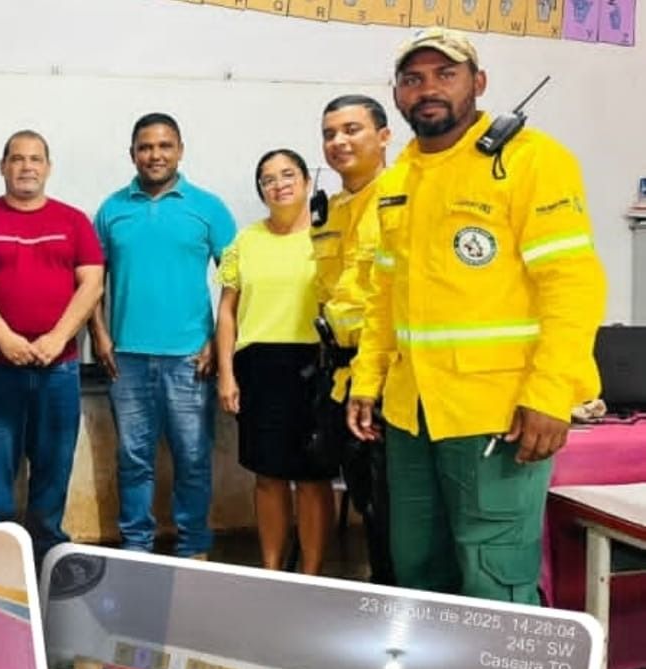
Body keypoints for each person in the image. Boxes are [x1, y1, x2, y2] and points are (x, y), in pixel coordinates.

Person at [347, 28, 606, 604]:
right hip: (412, 415)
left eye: (446, 74)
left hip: (500, 414)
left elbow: (572, 284)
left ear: (478, 83)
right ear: (397, 95)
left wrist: (549, 392)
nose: (428, 89)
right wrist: (367, 380)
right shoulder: (396, 183)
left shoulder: (529, 160)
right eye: (413, 79)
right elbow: (383, 296)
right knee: (419, 570)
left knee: (494, 576)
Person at [0, 130, 104, 566]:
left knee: (54, 468)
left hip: (60, 369)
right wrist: (6, 339)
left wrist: (57, 338)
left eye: (36, 159)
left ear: (48, 167)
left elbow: (92, 284)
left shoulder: (74, 221)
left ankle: (46, 559)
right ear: (2, 166)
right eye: (17, 159)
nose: (26, 166)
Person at [91, 113, 235, 558]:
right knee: (134, 461)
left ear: (180, 150)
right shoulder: (112, 209)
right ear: (132, 152)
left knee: (193, 460)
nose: (155, 155)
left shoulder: (208, 207)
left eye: (164, 146)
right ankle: (137, 546)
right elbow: (91, 282)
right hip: (127, 359)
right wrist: (98, 334)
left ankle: (194, 548)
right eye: (146, 147)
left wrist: (215, 342)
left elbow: (237, 282)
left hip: (191, 359)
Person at [216, 148, 334, 575]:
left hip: (315, 365)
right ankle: (270, 569)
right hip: (259, 367)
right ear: (260, 190)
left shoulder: (328, 235)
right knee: (267, 474)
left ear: (306, 182)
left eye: (288, 175)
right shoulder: (246, 240)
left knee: (312, 476)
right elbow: (227, 310)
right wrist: (227, 373)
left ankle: (312, 574)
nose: (279, 184)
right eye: (268, 178)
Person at [313, 95, 395, 586]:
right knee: (368, 504)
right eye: (329, 133)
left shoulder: (400, 199)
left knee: (396, 516)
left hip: (385, 379)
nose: (339, 142)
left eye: (352, 129)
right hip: (343, 378)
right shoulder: (332, 210)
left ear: (384, 136)